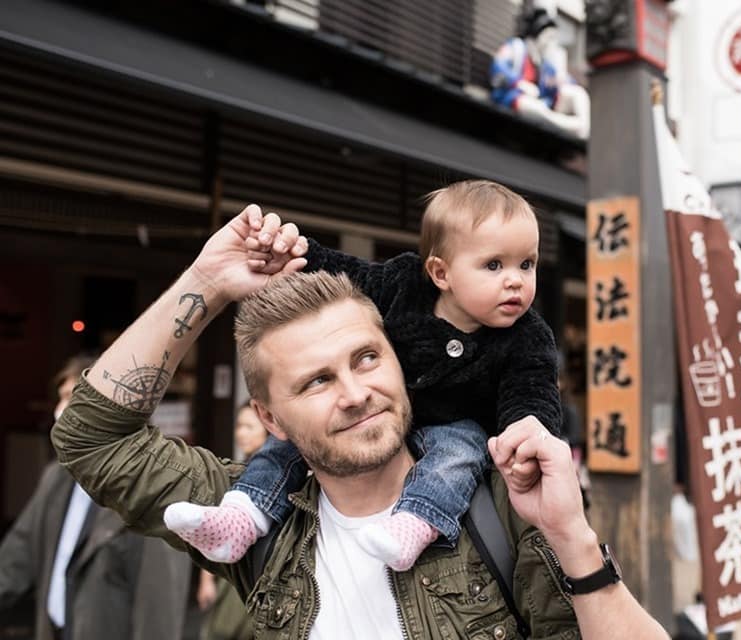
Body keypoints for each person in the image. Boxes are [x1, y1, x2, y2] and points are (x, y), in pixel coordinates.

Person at [51, 206, 670, 639]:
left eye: (367, 358)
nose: (356, 393)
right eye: (317, 381)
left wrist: (574, 538)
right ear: (270, 418)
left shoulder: (503, 510)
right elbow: (92, 437)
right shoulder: (254, 521)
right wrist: (206, 283)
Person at [166, 180, 563, 573]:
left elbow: (532, 393)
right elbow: (350, 272)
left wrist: (527, 433)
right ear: (441, 273)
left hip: (453, 426)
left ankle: (414, 524)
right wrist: (298, 251)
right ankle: (242, 515)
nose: (515, 280)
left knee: (459, 453)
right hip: (377, 415)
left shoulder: (528, 335)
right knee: (288, 444)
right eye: (494, 265)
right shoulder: (405, 284)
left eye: (526, 264)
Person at [0, 356, 191, 640]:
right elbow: (16, 558)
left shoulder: (152, 489)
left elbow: (157, 607)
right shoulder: (56, 477)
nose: (60, 410)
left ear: (108, 407)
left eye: (71, 397)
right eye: (60, 398)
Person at [196, 401, 266, 640]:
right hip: (232, 572)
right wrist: (207, 579)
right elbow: (217, 522)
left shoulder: (274, 476)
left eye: (249, 427)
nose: (241, 433)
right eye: (239, 426)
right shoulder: (235, 470)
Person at [491, 8, 591, 138]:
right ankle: (567, 126)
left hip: (543, 101)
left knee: (578, 93)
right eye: (549, 37)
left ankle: (582, 128)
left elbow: (559, 82)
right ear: (538, 33)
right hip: (515, 97)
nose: (550, 42)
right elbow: (498, 66)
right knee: (534, 108)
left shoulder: (545, 64)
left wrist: (562, 80)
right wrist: (519, 83)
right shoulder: (516, 48)